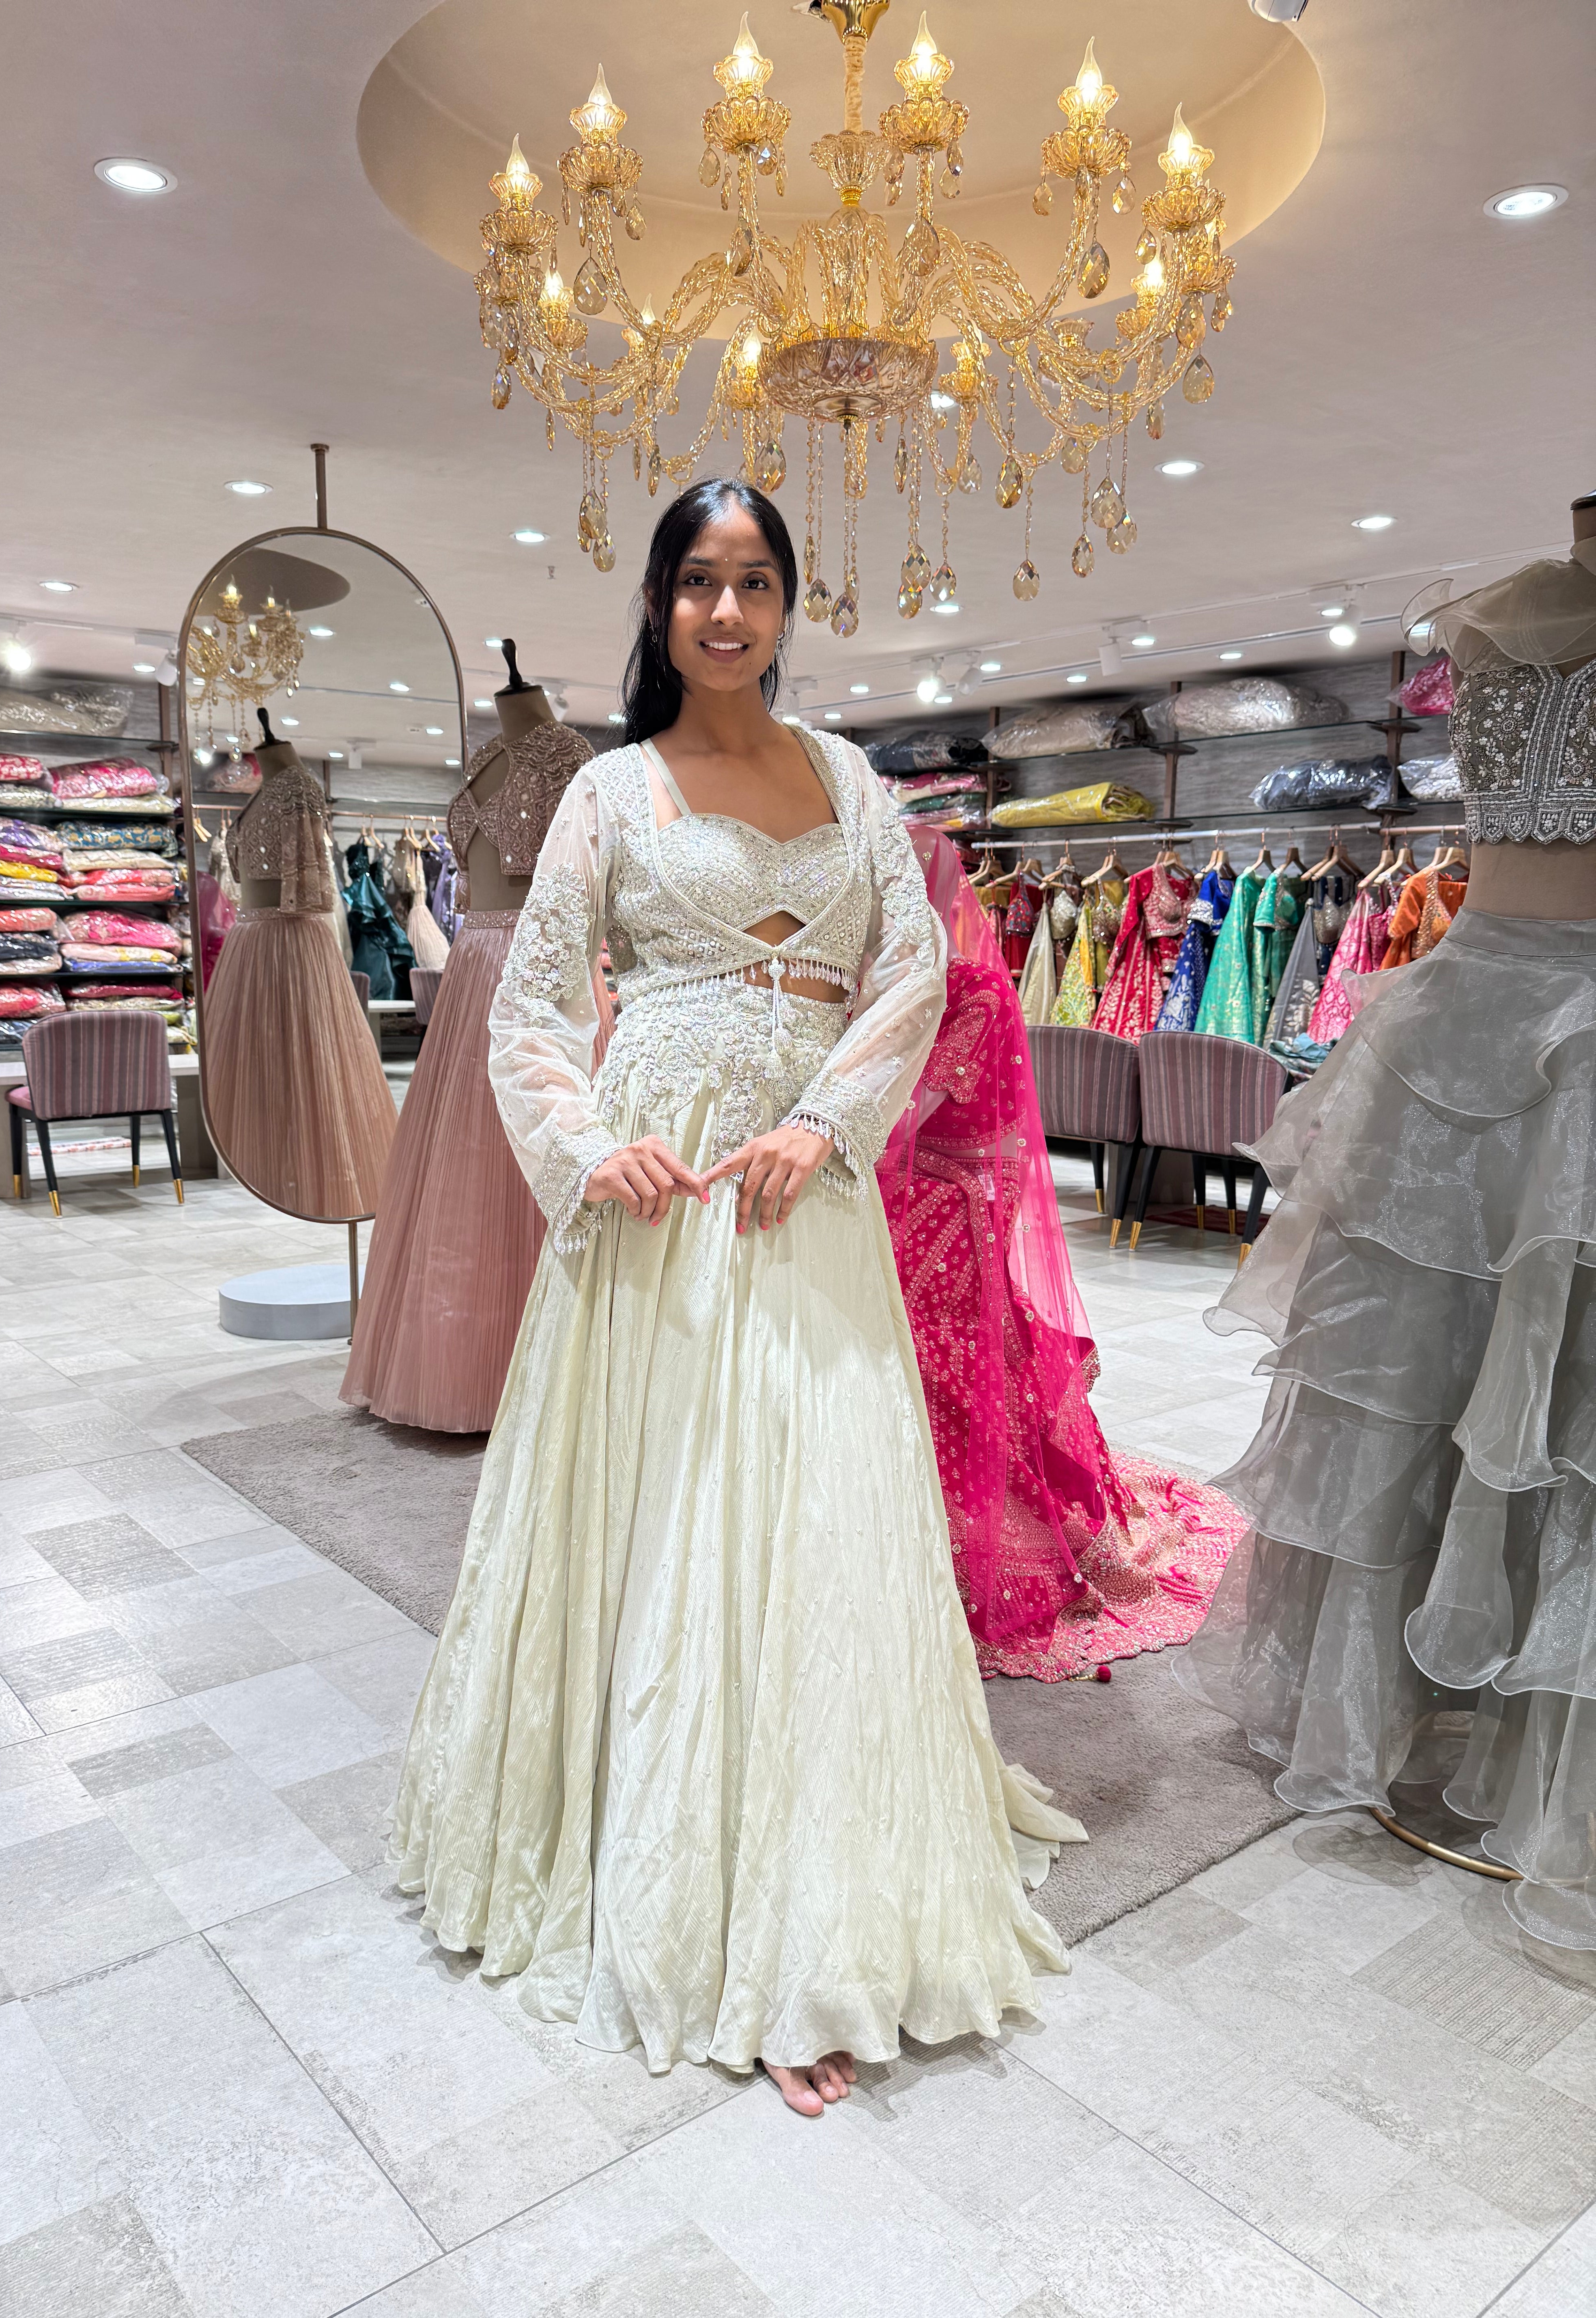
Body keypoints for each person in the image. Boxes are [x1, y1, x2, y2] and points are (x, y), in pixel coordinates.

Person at [389, 478, 1086, 2115]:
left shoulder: (848, 778)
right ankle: (692, 1888)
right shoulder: (608, 791)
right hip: (661, 1198)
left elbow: (909, 969)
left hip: (802, 1188)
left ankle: (814, 1910)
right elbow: (529, 1011)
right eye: (698, 580)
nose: (726, 610)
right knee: (675, 1518)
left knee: (822, 1517)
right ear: (659, 604)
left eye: (755, 581)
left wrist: (826, 1122)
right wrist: (585, 1146)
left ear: (788, 605)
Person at [1179, 504, 1596, 1945]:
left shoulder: (1485, 625)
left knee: (1559, 1398)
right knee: (1402, 1380)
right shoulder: (1484, 620)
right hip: (1466, 1016)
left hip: (1545, 1034)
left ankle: (1531, 1731)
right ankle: (1379, 1708)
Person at [881, 828, 1243, 1681]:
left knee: (940, 1348)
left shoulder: (972, 987)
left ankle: (969, 1534)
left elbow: (910, 1110)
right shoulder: (881, 985)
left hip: (952, 1185)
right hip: (891, 1175)